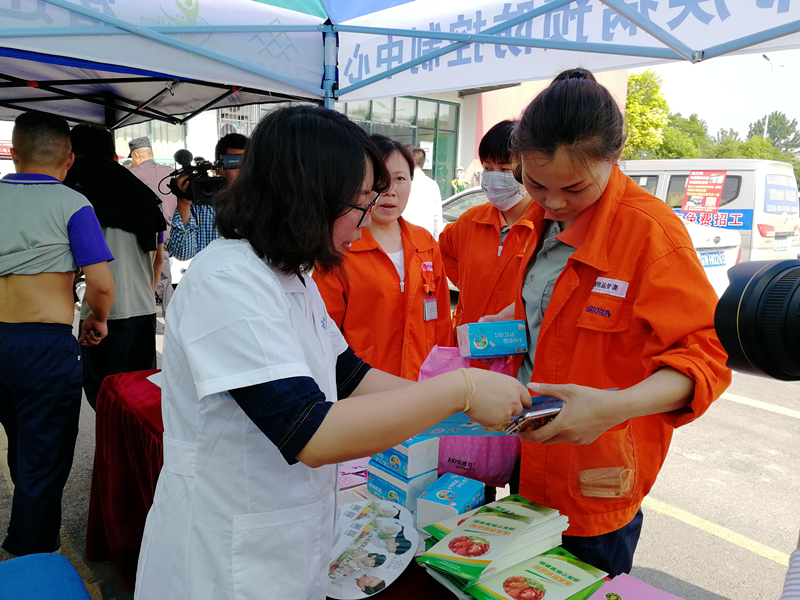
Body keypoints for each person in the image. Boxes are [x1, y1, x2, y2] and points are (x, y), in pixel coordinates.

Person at [133, 105, 530, 600]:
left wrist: (468, 414)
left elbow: (350, 375)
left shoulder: (291, 274)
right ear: (310, 199)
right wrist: (460, 389)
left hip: (284, 532)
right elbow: (309, 431)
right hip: (227, 552)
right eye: (360, 205)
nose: (363, 225)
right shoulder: (229, 281)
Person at [485, 68, 731, 577]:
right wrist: (513, 321)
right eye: (535, 183)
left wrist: (614, 407)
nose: (554, 202)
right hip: (529, 451)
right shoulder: (537, 221)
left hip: (596, 469)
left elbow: (707, 354)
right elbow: (555, 310)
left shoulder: (651, 234)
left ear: (613, 159)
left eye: (574, 188)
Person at [0, 111, 114, 555]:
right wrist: (97, 319)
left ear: (14, 154)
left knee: (21, 440)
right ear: (69, 159)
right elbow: (101, 284)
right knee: (44, 455)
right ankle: (31, 554)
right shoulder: (73, 204)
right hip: (44, 346)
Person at [438, 120, 534, 501]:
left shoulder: (547, 228)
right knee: (471, 470)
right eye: (488, 168)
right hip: (473, 365)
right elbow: (444, 255)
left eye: (505, 169)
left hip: (523, 369)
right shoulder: (471, 221)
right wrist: (471, 286)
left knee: (524, 474)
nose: (494, 178)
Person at [314, 135, 451, 380]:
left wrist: (445, 379)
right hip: (364, 387)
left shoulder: (425, 243)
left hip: (424, 386)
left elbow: (441, 323)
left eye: (400, 179)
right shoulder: (341, 246)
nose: (390, 190)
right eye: (380, 179)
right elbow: (323, 330)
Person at [63, 124, 166, 409]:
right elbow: (158, 258)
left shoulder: (76, 194)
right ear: (115, 156)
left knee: (106, 402)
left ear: (72, 156)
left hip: (102, 314)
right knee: (140, 402)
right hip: (143, 311)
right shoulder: (144, 194)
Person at [167, 132, 246, 260]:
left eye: (248, 164)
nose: (244, 171)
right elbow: (183, 254)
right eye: (235, 164)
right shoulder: (202, 204)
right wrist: (183, 204)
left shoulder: (260, 204)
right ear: (218, 168)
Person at [129, 136, 178, 315]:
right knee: (163, 275)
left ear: (136, 155)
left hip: (145, 236)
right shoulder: (171, 173)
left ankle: (165, 317)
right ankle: (168, 315)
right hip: (170, 233)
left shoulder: (132, 176)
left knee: (151, 278)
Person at [404, 146, 443, 239]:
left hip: (404, 236)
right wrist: (436, 241)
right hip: (426, 238)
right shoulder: (433, 185)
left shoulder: (402, 183)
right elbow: (437, 217)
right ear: (423, 164)